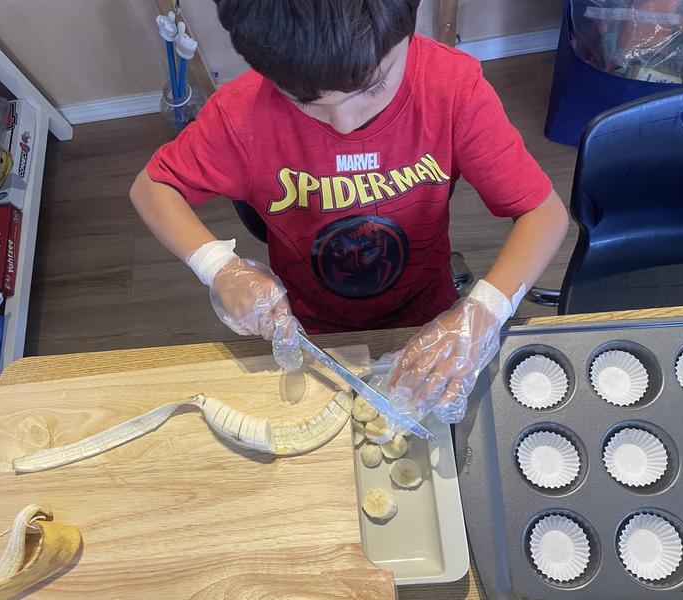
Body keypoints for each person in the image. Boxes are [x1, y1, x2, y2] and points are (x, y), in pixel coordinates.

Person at [130, 0, 570, 425]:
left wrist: (484, 312)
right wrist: (219, 267)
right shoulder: (240, 116)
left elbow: (544, 214)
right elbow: (152, 188)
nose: (344, 124)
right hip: (310, 329)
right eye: (307, 101)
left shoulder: (452, 90)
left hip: (431, 315)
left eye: (373, 87)